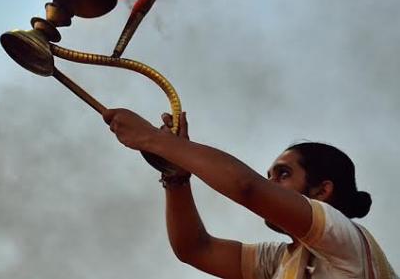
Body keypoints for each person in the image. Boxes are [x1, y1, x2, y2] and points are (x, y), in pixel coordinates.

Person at [102, 108, 397, 279]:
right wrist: (176, 175)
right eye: (269, 175)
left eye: (282, 174)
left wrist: (154, 140)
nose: (270, 182)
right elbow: (194, 249)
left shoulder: (343, 239)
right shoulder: (280, 259)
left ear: (322, 190)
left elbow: (247, 187)